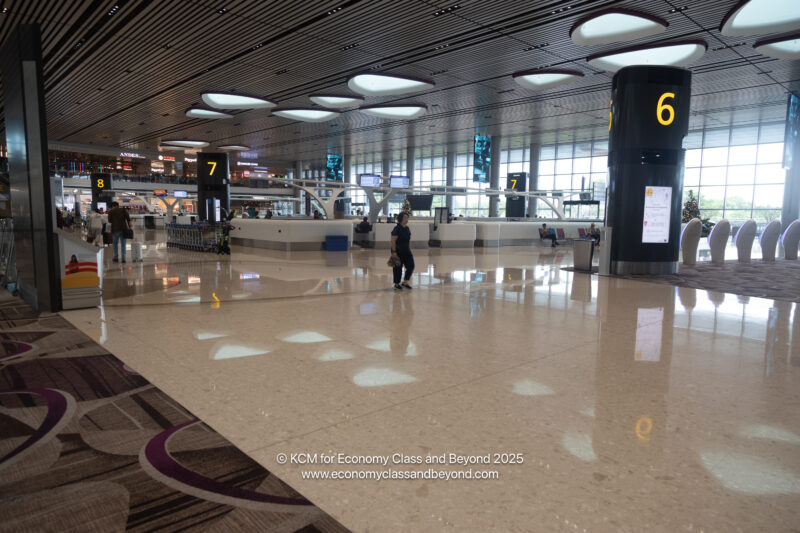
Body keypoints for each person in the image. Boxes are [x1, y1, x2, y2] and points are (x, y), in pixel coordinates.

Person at [391, 212, 414, 290]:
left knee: (411, 265)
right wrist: (394, 252)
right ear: (400, 219)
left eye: (407, 218)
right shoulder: (396, 228)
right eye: (405, 218)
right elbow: (393, 241)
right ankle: (397, 284)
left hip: (406, 250)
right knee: (398, 267)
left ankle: (405, 282)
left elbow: (408, 240)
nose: (406, 219)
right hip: (397, 250)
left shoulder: (407, 228)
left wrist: (409, 248)